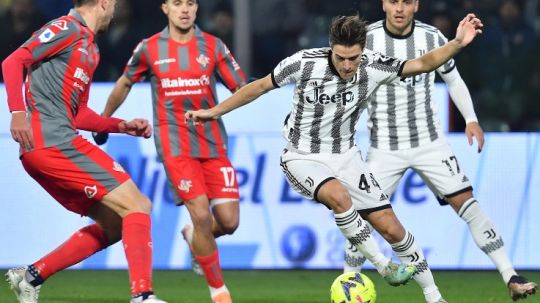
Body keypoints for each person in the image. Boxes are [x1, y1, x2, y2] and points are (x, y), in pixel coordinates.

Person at [187, 13, 485, 303]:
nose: (346, 65)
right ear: (331, 48)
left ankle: (434, 297)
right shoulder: (303, 64)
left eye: (353, 58)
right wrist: (213, 112)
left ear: (363, 51)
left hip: (346, 157)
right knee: (339, 197)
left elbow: (422, 63)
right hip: (301, 156)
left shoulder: (374, 66)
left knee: (393, 228)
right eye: (340, 57)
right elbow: (259, 86)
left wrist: (456, 43)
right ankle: (384, 267)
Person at [342, 0, 538, 301]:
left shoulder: (432, 37)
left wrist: (471, 119)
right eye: (393, 1)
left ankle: (510, 275)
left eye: (406, 2)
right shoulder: (366, 40)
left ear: (416, 5)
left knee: (468, 204)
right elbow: (348, 84)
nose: (399, 8)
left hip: (429, 143)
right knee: (363, 216)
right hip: (385, 148)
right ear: (384, 3)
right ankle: (348, 283)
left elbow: (453, 79)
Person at [1, 1, 167, 303]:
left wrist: (121, 125)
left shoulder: (90, 49)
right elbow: (13, 62)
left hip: (51, 145)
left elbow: (77, 114)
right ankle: (143, 295)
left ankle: (31, 276)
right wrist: (16, 111)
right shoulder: (65, 28)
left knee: (116, 224)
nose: (115, 10)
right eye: (114, 4)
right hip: (54, 143)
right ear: (103, 3)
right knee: (138, 205)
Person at [94, 0, 246, 302]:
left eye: (190, 3)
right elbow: (124, 83)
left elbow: (241, 88)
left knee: (228, 222)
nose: (185, 9)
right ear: (165, 8)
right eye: (178, 3)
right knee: (202, 216)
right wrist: (104, 120)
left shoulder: (214, 46)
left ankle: (194, 238)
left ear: (197, 8)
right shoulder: (150, 48)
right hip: (175, 144)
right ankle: (219, 291)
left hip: (213, 143)